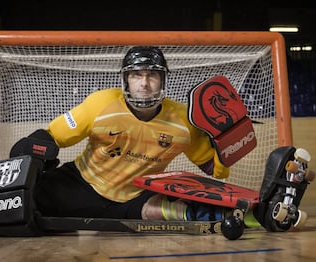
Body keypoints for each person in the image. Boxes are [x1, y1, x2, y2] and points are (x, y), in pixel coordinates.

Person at [13, 45, 231, 222]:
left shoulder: (184, 120)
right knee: (21, 200)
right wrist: (32, 153)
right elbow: (53, 136)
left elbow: (214, 169)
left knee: (159, 212)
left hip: (135, 197)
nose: (144, 83)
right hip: (82, 186)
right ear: (126, 79)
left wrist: (224, 142)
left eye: (152, 75)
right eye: (137, 75)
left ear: (163, 80)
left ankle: (220, 216)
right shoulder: (100, 103)